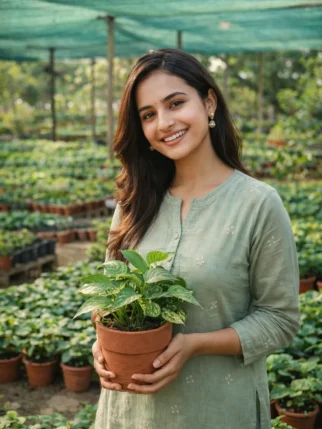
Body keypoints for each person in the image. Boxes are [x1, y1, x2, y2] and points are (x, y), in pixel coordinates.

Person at [92, 48, 300, 429]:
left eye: (175, 103)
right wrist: (101, 347)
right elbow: (107, 301)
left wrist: (194, 344)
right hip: (129, 411)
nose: (165, 122)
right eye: (148, 115)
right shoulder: (134, 202)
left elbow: (280, 319)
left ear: (208, 102)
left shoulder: (257, 204)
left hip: (215, 408)